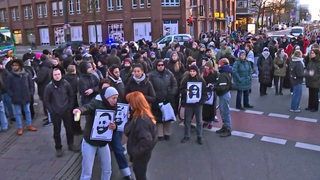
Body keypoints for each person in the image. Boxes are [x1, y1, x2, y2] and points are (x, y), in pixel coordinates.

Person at [73, 87, 118, 180]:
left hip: (103, 143)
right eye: (113, 98)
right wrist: (79, 110)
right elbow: (87, 107)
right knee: (87, 173)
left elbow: (115, 121)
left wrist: (115, 126)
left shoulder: (114, 107)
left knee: (107, 170)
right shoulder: (96, 103)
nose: (115, 100)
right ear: (107, 97)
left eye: (116, 98)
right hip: (90, 142)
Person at [43, 68, 79, 157]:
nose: (57, 76)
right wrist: (51, 111)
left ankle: (71, 144)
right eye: (55, 74)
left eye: (59, 74)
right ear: (52, 75)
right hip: (55, 113)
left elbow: (71, 96)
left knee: (69, 129)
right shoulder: (49, 87)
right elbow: (46, 101)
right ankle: (58, 148)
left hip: (66, 111)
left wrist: (70, 107)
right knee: (57, 131)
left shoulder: (66, 84)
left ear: (61, 74)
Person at [124, 91, 157, 180]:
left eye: (130, 103)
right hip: (141, 154)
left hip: (140, 156)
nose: (129, 105)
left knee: (140, 175)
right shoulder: (140, 115)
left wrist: (135, 152)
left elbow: (146, 141)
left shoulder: (141, 120)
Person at [149, 59, 178, 141]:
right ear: (156, 66)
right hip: (157, 100)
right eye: (159, 65)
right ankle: (160, 134)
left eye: (162, 65)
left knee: (168, 117)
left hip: (168, 99)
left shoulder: (169, 73)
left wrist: (171, 94)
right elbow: (149, 87)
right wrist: (154, 96)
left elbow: (174, 84)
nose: (161, 66)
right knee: (158, 118)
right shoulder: (151, 75)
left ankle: (167, 133)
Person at [6, 59, 37, 135]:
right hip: (16, 98)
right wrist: (12, 95)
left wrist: (30, 93)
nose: (14, 67)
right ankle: (20, 128)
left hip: (26, 96)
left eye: (16, 65)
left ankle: (29, 125)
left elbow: (31, 85)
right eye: (13, 65)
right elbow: (8, 87)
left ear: (20, 65)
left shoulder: (26, 74)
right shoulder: (10, 75)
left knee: (27, 111)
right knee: (18, 113)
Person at [180, 64, 207, 144]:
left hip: (198, 104)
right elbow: (181, 89)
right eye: (191, 71)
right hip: (189, 104)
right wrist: (185, 92)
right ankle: (186, 135)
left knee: (199, 121)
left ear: (196, 72)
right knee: (187, 120)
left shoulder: (201, 80)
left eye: (193, 71)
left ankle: (199, 136)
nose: (192, 73)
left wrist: (201, 101)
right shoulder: (186, 79)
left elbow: (205, 92)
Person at [215, 58, 233, 137]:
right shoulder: (227, 73)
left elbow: (222, 87)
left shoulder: (223, 74)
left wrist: (214, 87)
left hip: (224, 95)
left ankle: (228, 128)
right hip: (225, 94)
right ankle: (225, 126)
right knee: (223, 111)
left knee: (225, 112)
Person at [202, 60, 218, 129]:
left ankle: (210, 122)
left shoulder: (215, 73)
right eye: (206, 66)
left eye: (207, 67)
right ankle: (205, 121)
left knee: (211, 107)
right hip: (205, 91)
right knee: (205, 107)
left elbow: (217, 82)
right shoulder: (203, 73)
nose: (206, 68)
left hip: (212, 92)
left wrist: (212, 85)